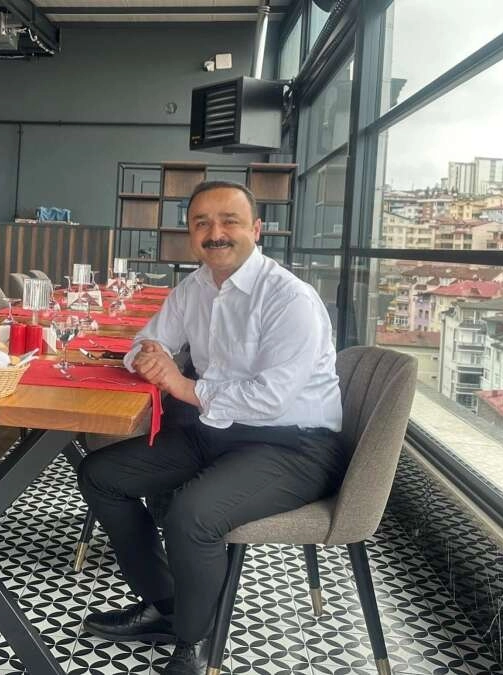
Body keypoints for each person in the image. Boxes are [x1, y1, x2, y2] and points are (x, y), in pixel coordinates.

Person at [77, 181, 349, 674]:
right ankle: (167, 605)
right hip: (217, 431)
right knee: (100, 474)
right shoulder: (194, 287)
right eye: (202, 222)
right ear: (191, 234)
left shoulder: (290, 298)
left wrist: (181, 385)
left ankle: (194, 643)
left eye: (229, 221)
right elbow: (146, 343)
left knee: (192, 515)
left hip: (294, 445)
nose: (215, 232)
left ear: (256, 229)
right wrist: (149, 357)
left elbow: (270, 399)